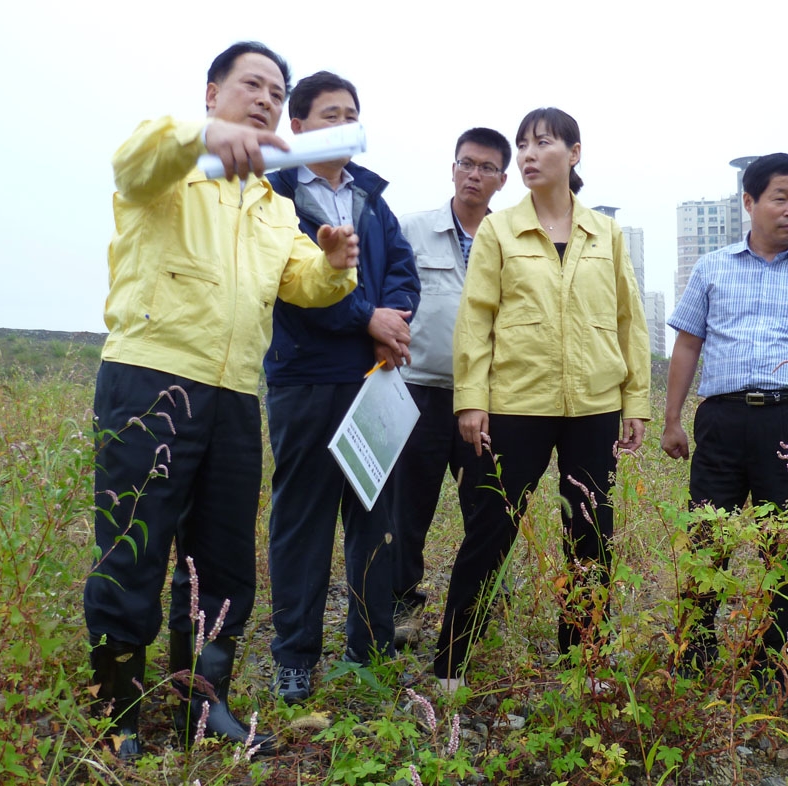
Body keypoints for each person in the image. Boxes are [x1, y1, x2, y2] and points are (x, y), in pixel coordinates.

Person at [83, 42, 359, 758]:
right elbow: (133, 158)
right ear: (213, 94)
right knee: (134, 551)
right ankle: (114, 712)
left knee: (223, 564)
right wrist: (203, 138)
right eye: (252, 86)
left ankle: (200, 707)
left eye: (276, 91)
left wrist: (333, 263)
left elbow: (304, 282)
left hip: (237, 395)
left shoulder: (273, 206)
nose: (266, 99)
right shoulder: (171, 171)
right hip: (151, 380)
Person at [433, 108, 651, 691]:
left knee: (590, 529)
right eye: (523, 145)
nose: (528, 155)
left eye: (542, 143)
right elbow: (475, 319)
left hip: (593, 405)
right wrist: (471, 399)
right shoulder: (500, 230)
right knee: (490, 527)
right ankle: (451, 663)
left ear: (574, 154)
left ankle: (582, 661)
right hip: (514, 404)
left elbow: (629, 320)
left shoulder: (606, 233)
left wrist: (636, 403)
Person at [661, 153, 788, 690]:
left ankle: (771, 654)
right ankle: (696, 645)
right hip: (723, 419)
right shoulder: (712, 267)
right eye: (781, 198)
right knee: (708, 534)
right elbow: (687, 345)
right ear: (749, 202)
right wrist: (672, 418)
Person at [265, 71, 420, 705]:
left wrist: (391, 324)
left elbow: (405, 276)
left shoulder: (372, 200)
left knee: (374, 519)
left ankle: (371, 647)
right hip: (305, 381)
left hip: (372, 381)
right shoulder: (272, 199)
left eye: (351, 113)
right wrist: (368, 318)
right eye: (330, 114)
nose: (343, 123)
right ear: (296, 127)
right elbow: (294, 290)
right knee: (302, 522)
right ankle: (296, 658)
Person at [389, 127, 511, 648]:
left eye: (486, 168)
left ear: (503, 180)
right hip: (416, 387)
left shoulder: (510, 237)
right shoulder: (411, 230)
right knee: (406, 507)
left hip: (485, 397)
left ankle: (483, 607)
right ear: (452, 168)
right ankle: (402, 609)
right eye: (466, 164)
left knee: (489, 506)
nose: (474, 175)